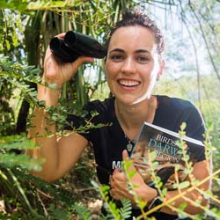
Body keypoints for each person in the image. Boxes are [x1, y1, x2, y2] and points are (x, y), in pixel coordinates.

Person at [27, 10, 211, 219]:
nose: (128, 68)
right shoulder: (95, 116)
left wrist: (149, 197)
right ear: (106, 64)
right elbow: (43, 172)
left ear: (160, 68)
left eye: (142, 58)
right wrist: (49, 85)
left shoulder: (183, 116)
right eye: (117, 56)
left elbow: (201, 199)